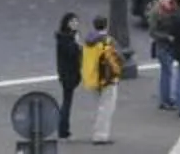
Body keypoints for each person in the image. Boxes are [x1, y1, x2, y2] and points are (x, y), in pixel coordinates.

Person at [80, 16, 126, 145]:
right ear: (106, 25)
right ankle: (101, 135)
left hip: (94, 77)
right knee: (107, 107)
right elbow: (118, 58)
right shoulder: (108, 41)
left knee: (99, 106)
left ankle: (97, 132)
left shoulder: (89, 41)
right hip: (107, 78)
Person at [53, 13, 84, 140]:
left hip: (68, 74)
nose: (76, 24)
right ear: (67, 23)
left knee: (67, 101)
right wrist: (78, 44)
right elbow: (72, 53)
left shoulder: (65, 37)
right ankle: (63, 129)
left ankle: (63, 128)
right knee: (67, 102)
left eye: (76, 21)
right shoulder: (67, 38)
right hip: (68, 75)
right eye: (73, 22)